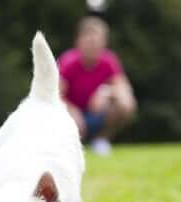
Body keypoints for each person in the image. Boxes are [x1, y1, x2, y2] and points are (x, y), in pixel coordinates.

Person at [58, 16, 137, 155]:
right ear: (78, 41)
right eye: (88, 40)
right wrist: (71, 110)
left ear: (104, 42)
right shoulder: (68, 62)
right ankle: (70, 145)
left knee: (126, 103)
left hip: (96, 115)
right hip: (71, 116)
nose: (92, 44)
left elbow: (124, 89)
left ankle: (100, 140)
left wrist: (106, 92)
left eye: (96, 40)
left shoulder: (109, 61)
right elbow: (54, 96)